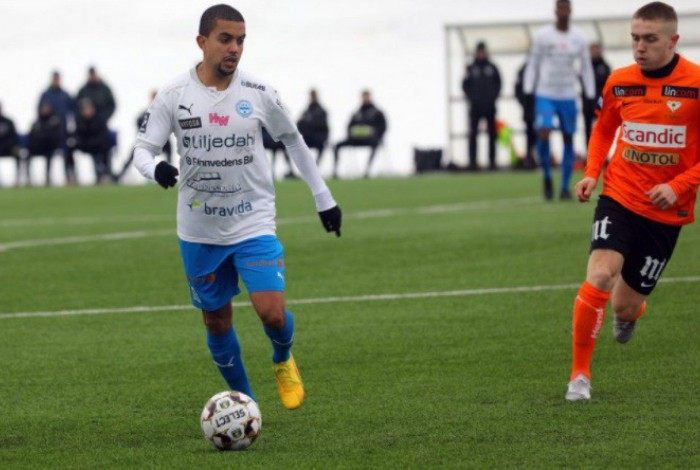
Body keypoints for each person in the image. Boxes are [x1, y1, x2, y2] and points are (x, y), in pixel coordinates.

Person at [132, 4, 342, 410]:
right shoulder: (173, 95)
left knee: (272, 314)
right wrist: (154, 168)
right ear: (202, 41)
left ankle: (282, 357)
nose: (235, 48)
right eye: (225, 39)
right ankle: (247, 402)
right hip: (199, 230)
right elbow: (143, 148)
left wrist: (324, 198)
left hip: (252, 221)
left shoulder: (259, 92)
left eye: (241, 40)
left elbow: (293, 139)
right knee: (216, 320)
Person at [565, 1, 700, 401]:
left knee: (623, 306)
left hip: (666, 211)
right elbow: (603, 129)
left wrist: (679, 186)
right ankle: (579, 376)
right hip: (619, 196)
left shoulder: (695, 84)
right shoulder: (619, 82)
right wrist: (592, 172)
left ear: (673, 40)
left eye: (650, 39)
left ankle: (632, 313)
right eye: (635, 38)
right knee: (600, 275)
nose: (639, 47)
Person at [524, 0, 595, 200]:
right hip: (545, 93)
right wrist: (528, 91)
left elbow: (586, 67)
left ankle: (564, 186)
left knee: (568, 137)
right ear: (555, 11)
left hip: (568, 95)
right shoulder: (543, 35)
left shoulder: (579, 37)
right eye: (560, 9)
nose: (563, 12)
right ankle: (547, 176)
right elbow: (533, 64)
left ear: (570, 11)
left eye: (566, 9)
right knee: (544, 131)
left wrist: (589, 94)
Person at [116, 90, 173, 182]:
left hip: (162, 142)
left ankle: (168, 175)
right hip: (147, 142)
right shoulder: (145, 114)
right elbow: (139, 125)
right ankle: (119, 176)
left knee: (169, 151)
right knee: (134, 152)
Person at [462, 41, 501, 171]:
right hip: (475, 107)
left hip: (490, 106)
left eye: (483, 52)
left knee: (492, 134)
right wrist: (472, 98)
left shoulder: (492, 68)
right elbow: (465, 85)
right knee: (473, 134)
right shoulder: (471, 68)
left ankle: (492, 161)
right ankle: (473, 162)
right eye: (479, 52)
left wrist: (493, 97)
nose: (481, 54)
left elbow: (499, 84)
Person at [333, 90, 386, 179]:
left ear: (370, 97)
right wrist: (351, 133)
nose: (365, 98)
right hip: (355, 139)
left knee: (375, 144)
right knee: (336, 146)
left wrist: (375, 134)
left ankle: (367, 171)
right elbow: (349, 126)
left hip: (370, 140)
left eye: (367, 96)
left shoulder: (377, 113)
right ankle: (335, 171)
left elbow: (383, 127)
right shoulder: (357, 113)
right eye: (363, 97)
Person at [38, 71, 76, 184]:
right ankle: (47, 177)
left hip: (63, 131)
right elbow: (40, 112)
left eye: (58, 79)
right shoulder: (45, 95)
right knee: (48, 153)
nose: (56, 81)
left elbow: (73, 110)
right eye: (55, 79)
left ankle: (69, 177)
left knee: (67, 153)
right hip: (49, 133)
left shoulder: (65, 95)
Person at [72, 99, 113, 183]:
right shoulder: (79, 120)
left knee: (105, 148)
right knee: (69, 147)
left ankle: (105, 173)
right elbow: (77, 134)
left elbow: (103, 135)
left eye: (89, 108)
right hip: (84, 145)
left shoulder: (100, 119)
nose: (87, 111)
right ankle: (71, 174)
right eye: (85, 109)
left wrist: (94, 142)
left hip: (97, 145)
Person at [581, 42, 612, 147]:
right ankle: (588, 150)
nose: (594, 52)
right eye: (592, 49)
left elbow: (609, 85)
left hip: (600, 102)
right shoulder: (585, 66)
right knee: (587, 128)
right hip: (587, 103)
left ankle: (602, 150)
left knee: (601, 128)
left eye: (596, 49)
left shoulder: (605, 66)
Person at [27, 102, 63, 186]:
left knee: (49, 154)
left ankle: (48, 177)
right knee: (27, 155)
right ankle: (28, 178)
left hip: (49, 147)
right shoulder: (36, 123)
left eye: (46, 108)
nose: (45, 110)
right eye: (43, 108)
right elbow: (31, 137)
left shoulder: (55, 122)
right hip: (37, 147)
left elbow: (57, 137)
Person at [514, 62, 537, 169]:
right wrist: (525, 103)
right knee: (529, 134)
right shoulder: (523, 69)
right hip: (528, 108)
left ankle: (543, 158)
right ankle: (530, 158)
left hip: (542, 108)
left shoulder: (543, 67)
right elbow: (517, 89)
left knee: (543, 133)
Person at [297, 89, 329, 165]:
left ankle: (315, 166)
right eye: (311, 96)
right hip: (307, 137)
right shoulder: (307, 111)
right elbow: (299, 123)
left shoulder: (322, 111)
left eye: (313, 96)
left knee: (322, 146)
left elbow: (324, 127)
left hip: (318, 138)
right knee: (295, 145)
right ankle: (304, 166)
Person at [0, 102, 23, 187]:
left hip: (8, 148)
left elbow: (14, 137)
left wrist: (13, 146)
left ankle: (17, 179)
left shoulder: (9, 122)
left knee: (17, 153)